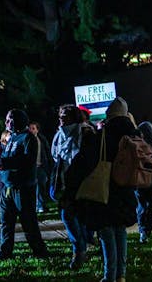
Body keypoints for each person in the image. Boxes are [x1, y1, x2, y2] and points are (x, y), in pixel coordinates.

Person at [68, 97, 137, 282]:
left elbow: (85, 161)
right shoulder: (134, 133)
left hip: (106, 187)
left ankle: (109, 275)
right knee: (120, 231)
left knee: (106, 231)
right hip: (127, 187)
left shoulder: (104, 135)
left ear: (109, 114)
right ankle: (121, 275)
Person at [0, 108, 49, 260]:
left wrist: (6, 163)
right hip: (8, 187)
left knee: (28, 221)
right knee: (6, 222)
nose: (6, 122)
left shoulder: (28, 138)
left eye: (10, 119)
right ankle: (5, 252)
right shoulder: (12, 138)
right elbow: (6, 156)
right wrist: (0, 162)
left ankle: (39, 251)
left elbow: (28, 160)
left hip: (23, 188)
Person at [51, 104, 93, 270]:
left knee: (75, 215)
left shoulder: (85, 132)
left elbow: (89, 159)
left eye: (65, 115)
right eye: (60, 115)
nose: (61, 118)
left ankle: (80, 249)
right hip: (65, 181)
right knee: (68, 215)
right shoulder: (59, 135)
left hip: (81, 181)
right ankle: (82, 246)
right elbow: (56, 156)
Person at [27, 121, 52, 213]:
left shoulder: (41, 139)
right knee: (31, 188)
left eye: (33, 128)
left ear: (37, 130)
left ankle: (41, 205)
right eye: (30, 128)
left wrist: (48, 165)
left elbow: (47, 152)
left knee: (41, 187)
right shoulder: (26, 139)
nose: (31, 130)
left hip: (41, 166)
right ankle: (32, 206)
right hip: (30, 168)